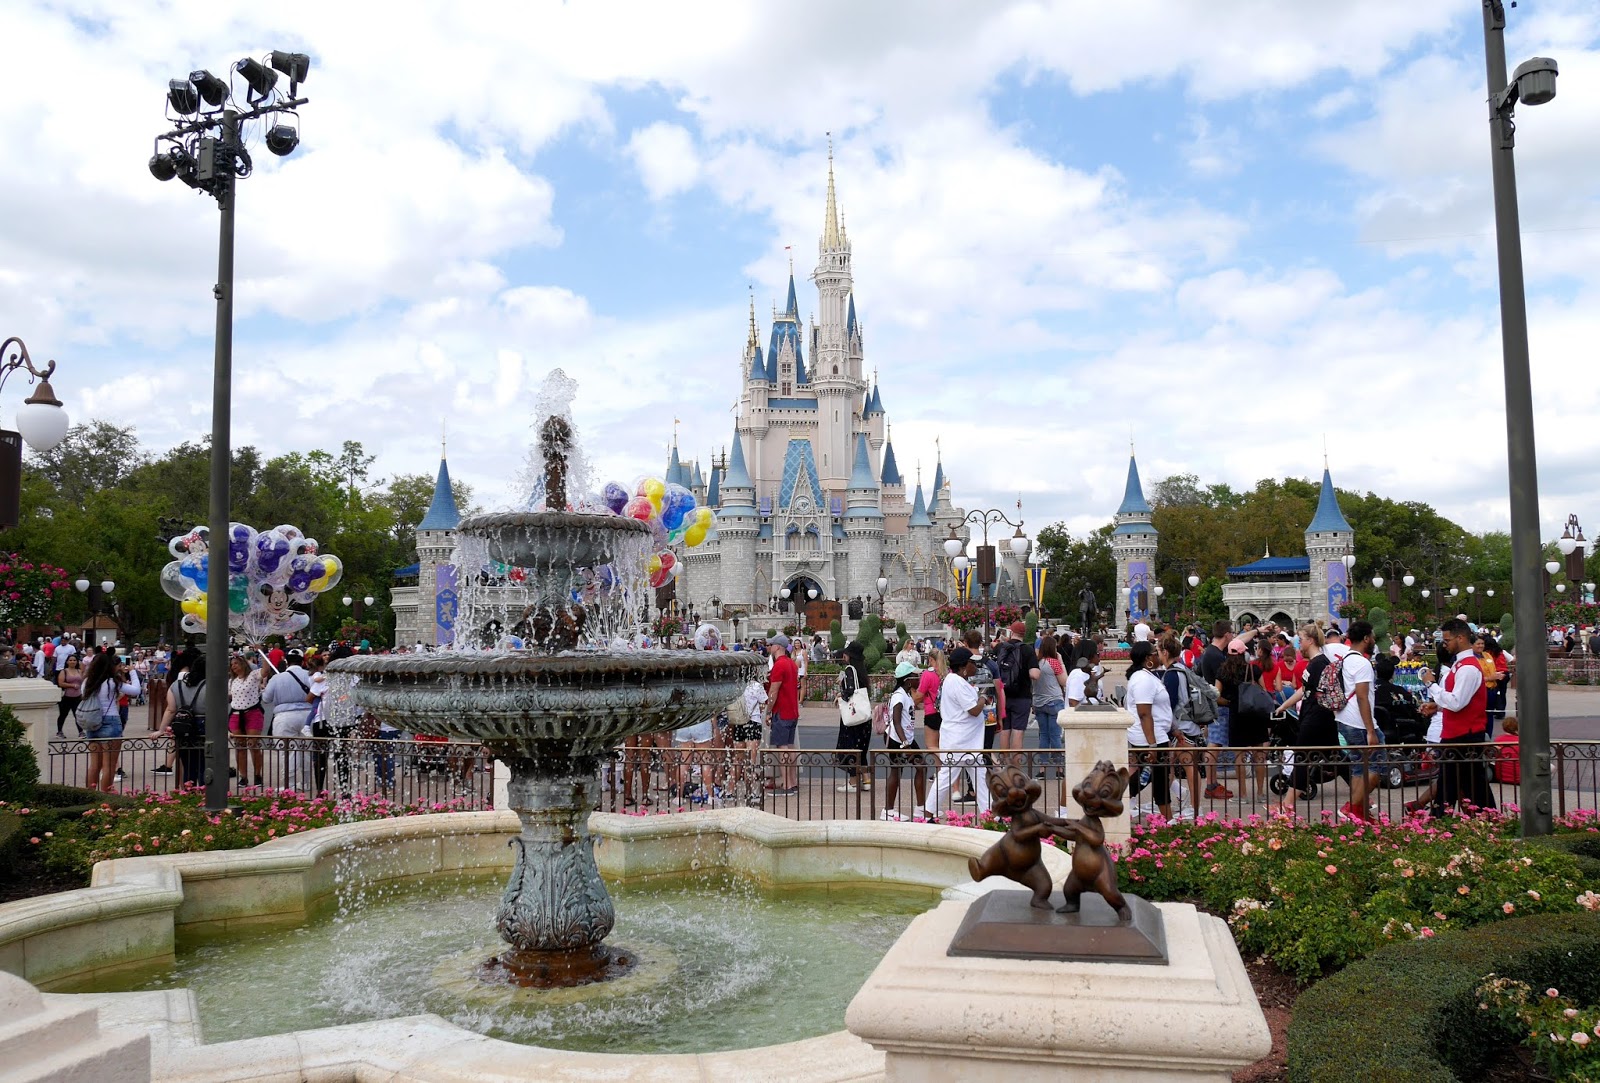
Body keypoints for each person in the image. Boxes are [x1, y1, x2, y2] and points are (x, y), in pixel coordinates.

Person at [1420, 617, 1497, 816]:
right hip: (1458, 734)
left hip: (1464, 736)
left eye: (1447, 641)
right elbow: (1458, 702)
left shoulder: (1469, 668)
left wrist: (1431, 684)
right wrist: (1437, 707)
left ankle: (1483, 818)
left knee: (1469, 783)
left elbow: (1456, 702)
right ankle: (1484, 818)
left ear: (1460, 638)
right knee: (1459, 783)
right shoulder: (1461, 666)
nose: (1444, 645)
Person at [923, 646, 992, 819]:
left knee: (979, 777)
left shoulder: (956, 680)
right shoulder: (956, 682)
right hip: (959, 741)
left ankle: (990, 814)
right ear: (963, 666)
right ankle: (928, 814)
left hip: (966, 741)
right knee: (945, 778)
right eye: (972, 664)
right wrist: (983, 698)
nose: (975, 668)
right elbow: (973, 710)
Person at [1328, 620, 1383, 823]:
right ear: (1367, 638)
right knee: (1378, 767)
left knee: (1360, 767)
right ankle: (1352, 807)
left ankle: (1357, 811)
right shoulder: (1362, 663)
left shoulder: (1343, 659)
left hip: (1344, 719)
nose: (1374, 640)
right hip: (1360, 723)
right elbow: (1362, 696)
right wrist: (1371, 730)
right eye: (1373, 637)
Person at [77, 650, 142, 792]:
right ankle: (106, 796)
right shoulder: (112, 682)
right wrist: (131, 672)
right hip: (111, 720)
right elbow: (136, 690)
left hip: (93, 721)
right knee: (109, 765)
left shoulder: (87, 682)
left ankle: (90, 794)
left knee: (95, 764)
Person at [880, 661, 927, 819]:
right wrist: (905, 744)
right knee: (897, 770)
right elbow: (896, 722)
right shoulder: (899, 697)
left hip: (905, 738)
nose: (919, 677)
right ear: (908, 680)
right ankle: (888, 811)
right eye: (916, 676)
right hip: (898, 739)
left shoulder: (905, 694)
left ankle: (920, 808)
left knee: (920, 767)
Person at [262, 649, 315, 791]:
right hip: (308, 716)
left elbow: (266, 698)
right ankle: (306, 783)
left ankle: (289, 784)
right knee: (307, 750)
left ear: (286, 661)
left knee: (287, 751)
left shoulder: (277, 678)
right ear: (303, 661)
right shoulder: (309, 676)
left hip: (284, 717)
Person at [160, 655, 207, 789]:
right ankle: (206, 798)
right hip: (204, 724)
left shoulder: (176, 685)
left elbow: (171, 709)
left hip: (182, 726)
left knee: (188, 767)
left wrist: (161, 730)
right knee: (205, 765)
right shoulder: (209, 686)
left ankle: (188, 796)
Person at [763, 633, 801, 796]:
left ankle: (786, 785)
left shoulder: (779, 665)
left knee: (781, 747)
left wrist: (768, 710)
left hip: (782, 710)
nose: (770, 648)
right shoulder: (792, 664)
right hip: (792, 710)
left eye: (771, 645)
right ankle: (792, 782)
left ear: (778, 647)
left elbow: (774, 690)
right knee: (790, 746)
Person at [834, 641, 873, 792]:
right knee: (861, 748)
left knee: (850, 747)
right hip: (863, 716)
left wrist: (840, 695)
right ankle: (866, 779)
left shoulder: (850, 670)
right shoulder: (861, 670)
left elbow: (849, 691)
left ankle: (853, 782)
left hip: (853, 717)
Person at [995, 621, 1038, 753]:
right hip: (1022, 696)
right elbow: (1035, 674)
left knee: (1005, 730)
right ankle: (1015, 768)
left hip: (1003, 696)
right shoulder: (1027, 650)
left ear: (1011, 632)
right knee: (1018, 732)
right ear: (1023, 634)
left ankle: (1004, 765)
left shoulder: (1001, 648)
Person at [228, 653, 268, 788]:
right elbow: (230, 697)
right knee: (240, 747)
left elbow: (265, 671)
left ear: (243, 664)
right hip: (236, 714)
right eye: (232, 664)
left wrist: (262, 654)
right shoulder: (232, 681)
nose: (233, 666)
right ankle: (243, 777)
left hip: (252, 712)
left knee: (253, 744)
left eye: (236, 663)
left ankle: (257, 775)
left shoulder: (253, 676)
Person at [1032, 635, 1068, 769]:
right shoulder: (1053, 662)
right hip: (1054, 700)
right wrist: (1062, 662)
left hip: (1039, 701)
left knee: (1043, 735)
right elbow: (1064, 682)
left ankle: (1043, 767)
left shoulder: (1036, 663)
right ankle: (1059, 767)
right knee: (1055, 735)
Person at [919, 649, 947, 754]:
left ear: (931, 659)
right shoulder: (947, 673)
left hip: (931, 710)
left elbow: (920, 694)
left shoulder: (928, 674)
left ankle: (946, 763)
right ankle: (941, 769)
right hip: (945, 711)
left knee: (931, 745)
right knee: (941, 744)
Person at [55, 654, 84, 737]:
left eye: (74, 660)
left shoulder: (79, 671)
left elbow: (82, 682)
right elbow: (60, 683)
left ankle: (81, 732)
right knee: (63, 715)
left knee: (78, 715)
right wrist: (72, 686)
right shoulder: (63, 671)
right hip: (66, 697)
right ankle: (59, 731)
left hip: (78, 696)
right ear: (67, 662)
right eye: (70, 660)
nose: (72, 662)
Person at [1493, 716, 1521, 785]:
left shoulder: (1498, 740)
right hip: (1519, 778)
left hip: (1501, 777)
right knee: (1551, 767)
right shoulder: (1521, 740)